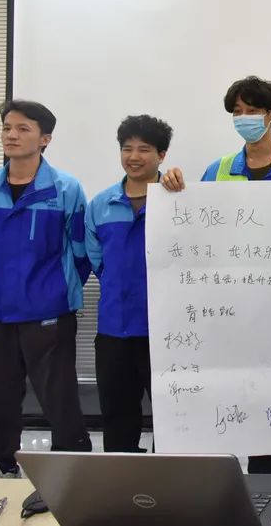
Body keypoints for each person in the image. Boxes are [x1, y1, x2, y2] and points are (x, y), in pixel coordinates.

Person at [162, 75, 271, 477]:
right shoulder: (218, 170)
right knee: (255, 410)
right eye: (237, 112)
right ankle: (262, 492)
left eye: (252, 111)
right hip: (240, 315)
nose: (244, 118)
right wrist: (171, 188)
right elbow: (196, 230)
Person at [0, 99, 92, 477]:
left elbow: (81, 252)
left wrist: (57, 292)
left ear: (45, 139)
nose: (11, 135)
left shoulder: (66, 189)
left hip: (49, 313)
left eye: (23, 129)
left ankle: (69, 468)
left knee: (59, 397)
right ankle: (3, 464)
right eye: (7, 127)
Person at [85, 115, 173, 452]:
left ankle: (169, 477)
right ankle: (121, 476)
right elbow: (97, 260)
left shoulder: (176, 200)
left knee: (172, 415)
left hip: (166, 332)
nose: (134, 157)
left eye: (144, 149)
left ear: (161, 155)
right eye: (127, 148)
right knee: (117, 416)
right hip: (114, 329)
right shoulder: (101, 204)